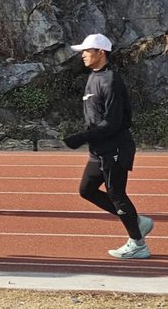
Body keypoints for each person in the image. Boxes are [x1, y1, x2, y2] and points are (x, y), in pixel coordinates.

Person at [60, 34, 153, 259]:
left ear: (101, 53)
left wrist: (82, 137)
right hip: (99, 149)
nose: (82, 54)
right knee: (86, 190)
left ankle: (138, 243)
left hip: (115, 148)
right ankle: (138, 221)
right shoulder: (94, 77)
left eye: (87, 50)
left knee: (117, 194)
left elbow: (115, 122)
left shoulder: (111, 80)